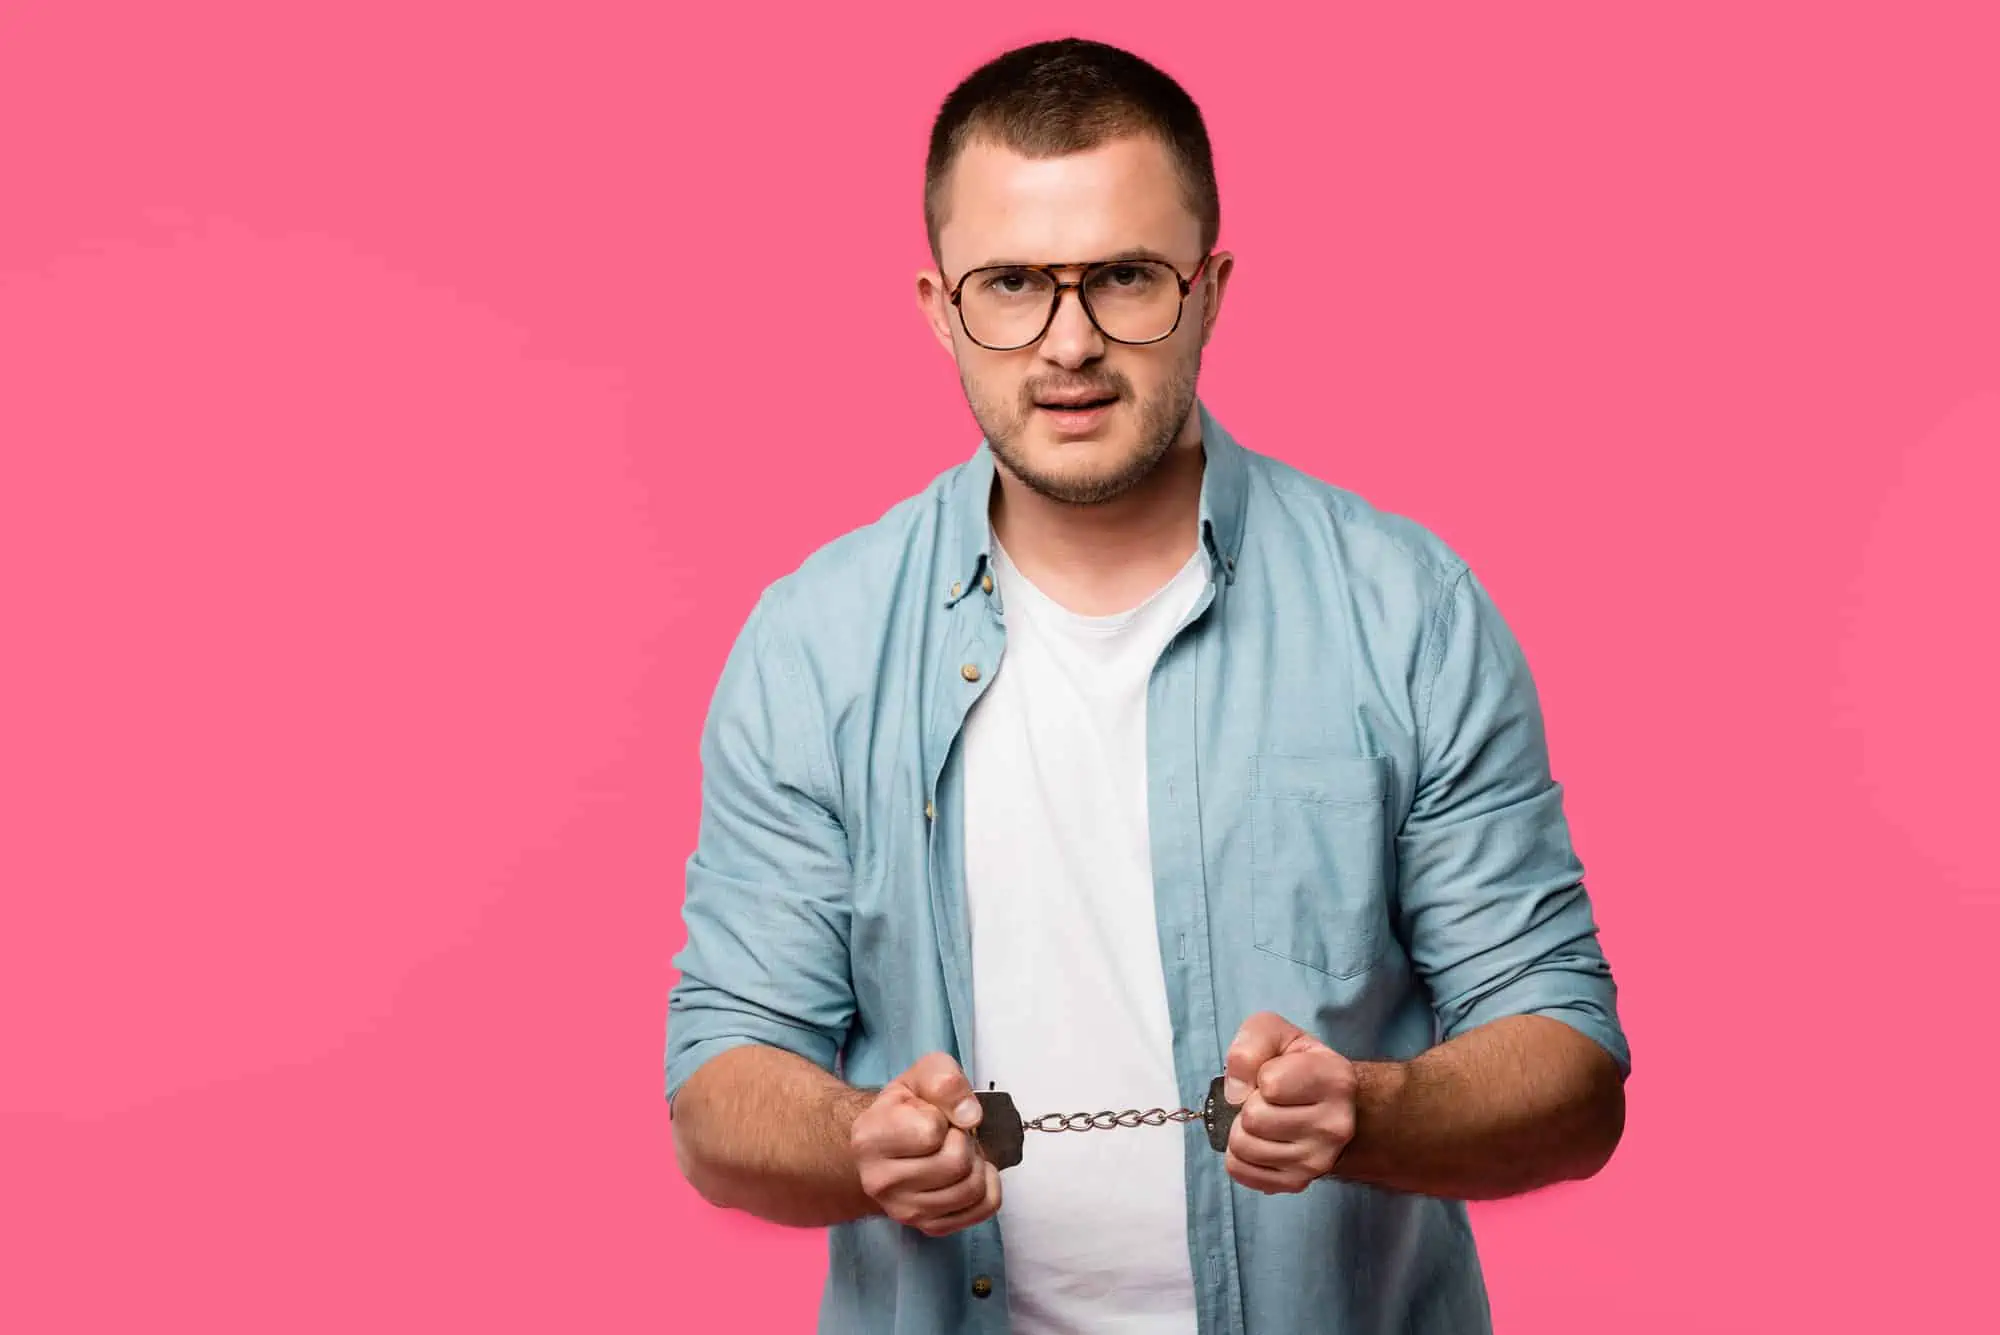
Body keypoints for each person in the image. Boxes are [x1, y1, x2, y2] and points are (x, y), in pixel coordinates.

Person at [665, 35, 1629, 1335]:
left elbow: (1570, 1071)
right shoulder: (814, 645)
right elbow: (717, 1091)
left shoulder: (1411, 615)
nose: (1069, 343)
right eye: (1011, 283)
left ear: (1209, 286)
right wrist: (855, 1138)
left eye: (1123, 277)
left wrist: (1374, 1110)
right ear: (939, 303)